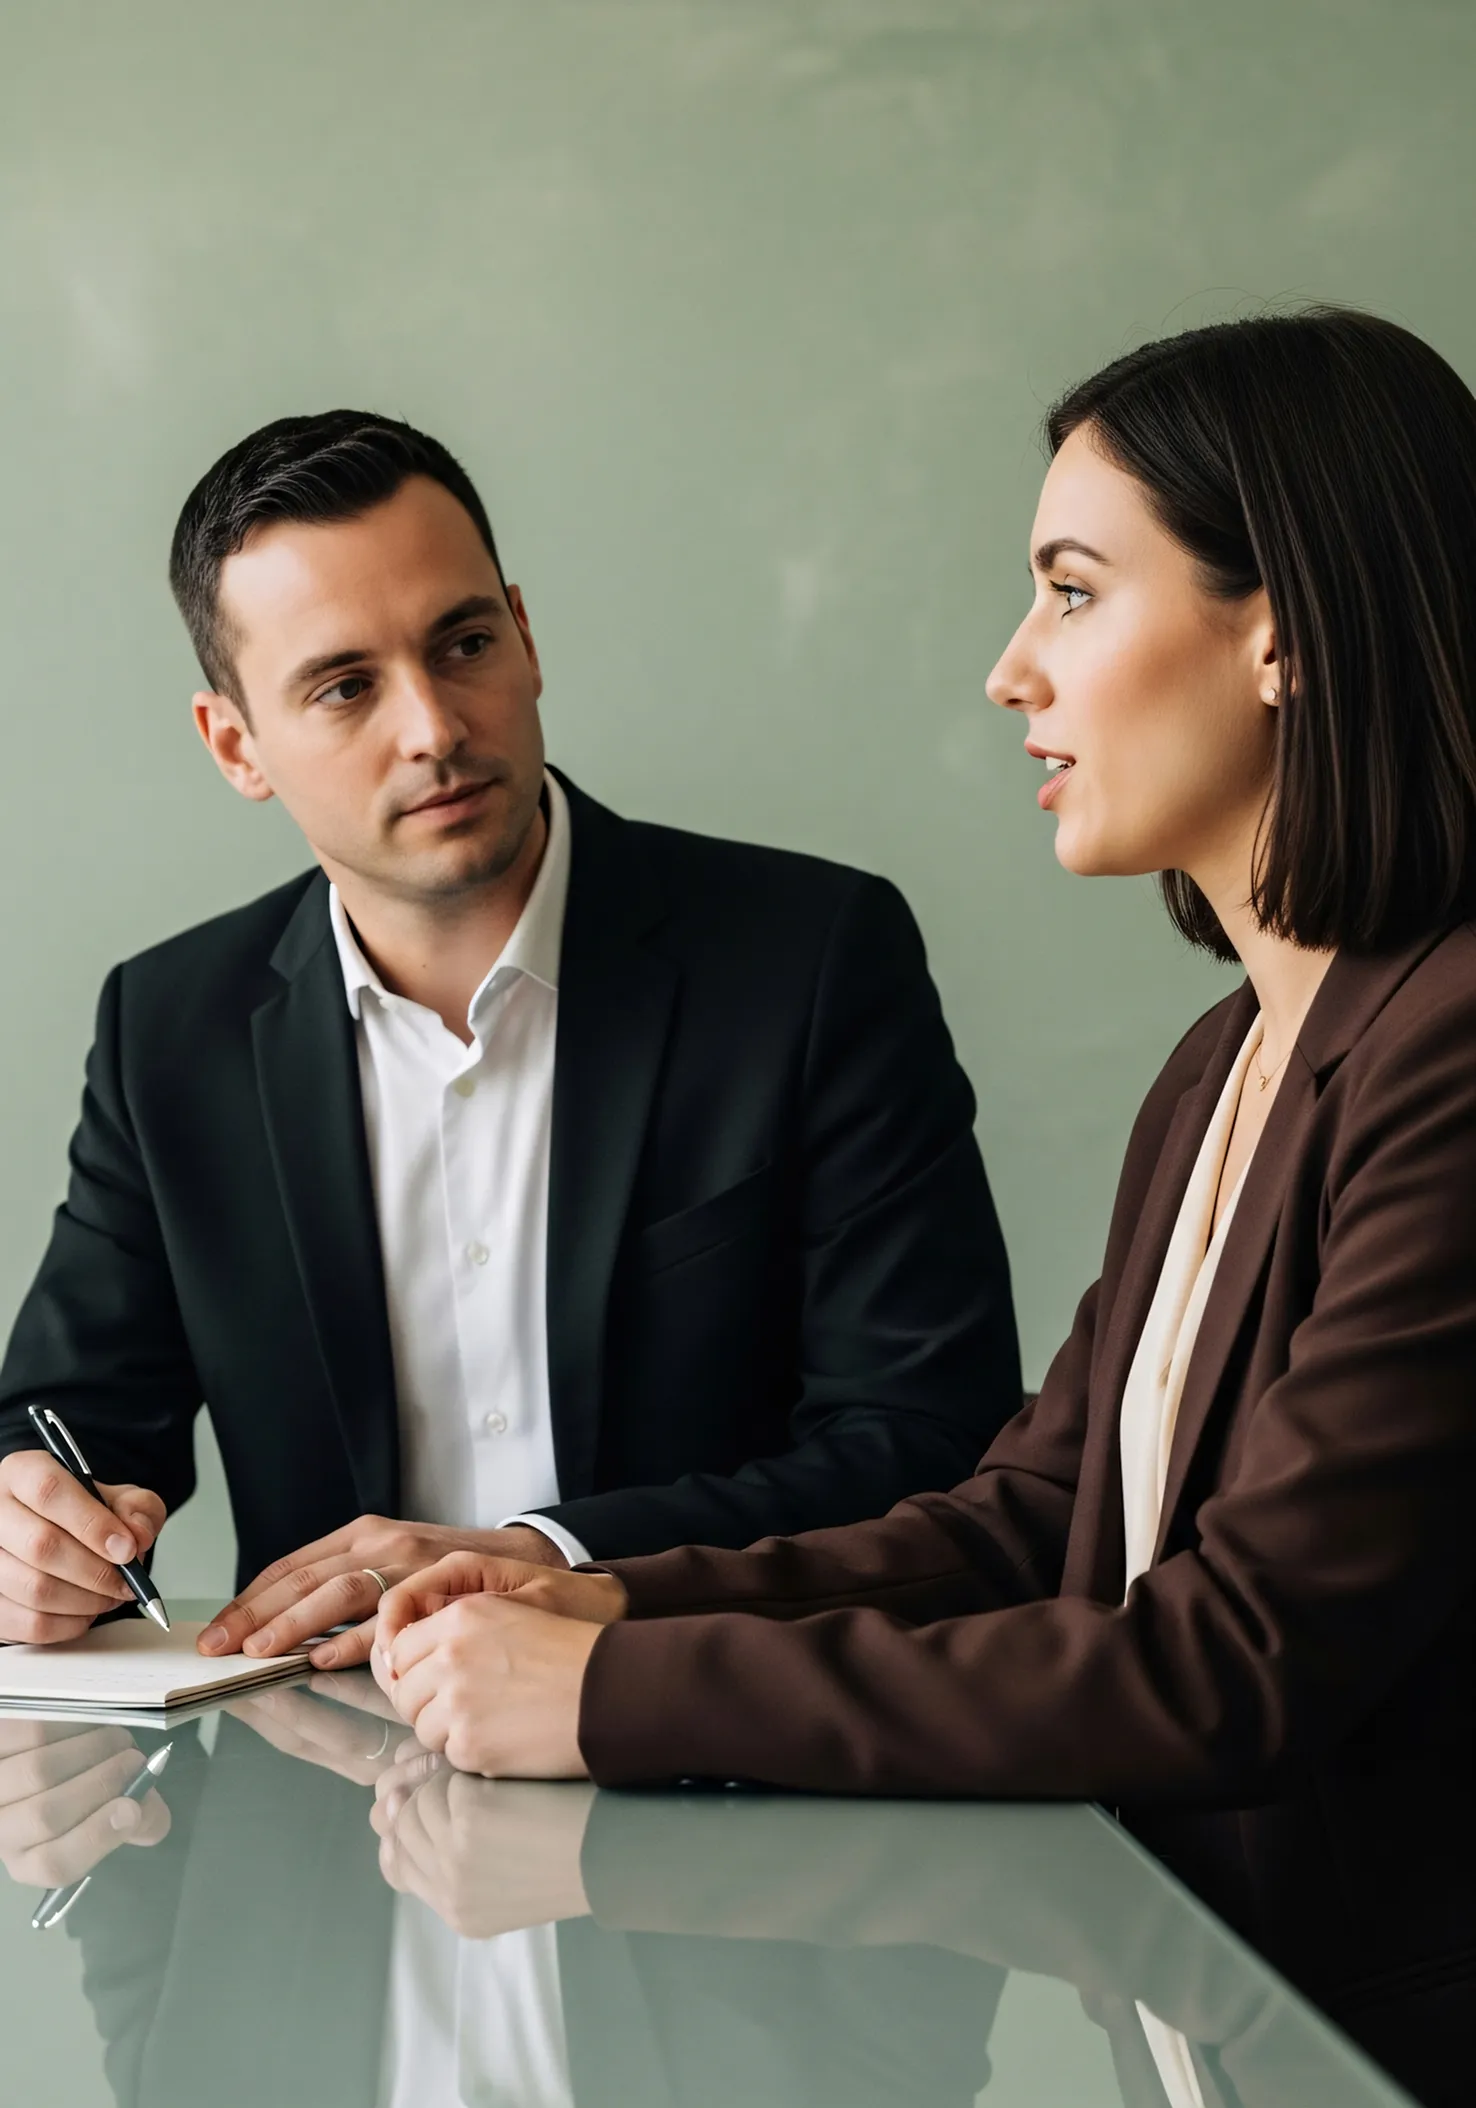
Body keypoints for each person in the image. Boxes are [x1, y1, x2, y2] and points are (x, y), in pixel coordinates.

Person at [364, 309, 1476, 2106]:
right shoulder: (1225, 1057)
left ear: (1280, 627)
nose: (1011, 670)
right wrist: (594, 1598)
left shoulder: (1451, 1050)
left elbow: (1234, 1661)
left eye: (1072, 590)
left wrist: (613, 1704)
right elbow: (1029, 1521)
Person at [0, 411, 1021, 1666]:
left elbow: (930, 1440)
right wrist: (35, 1533)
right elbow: (67, 1426)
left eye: (464, 642)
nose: (433, 725)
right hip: (328, 1788)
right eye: (344, 686)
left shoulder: (811, 959)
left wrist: (555, 1552)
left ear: (526, 637)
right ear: (236, 745)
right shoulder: (171, 1027)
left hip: (718, 1745)